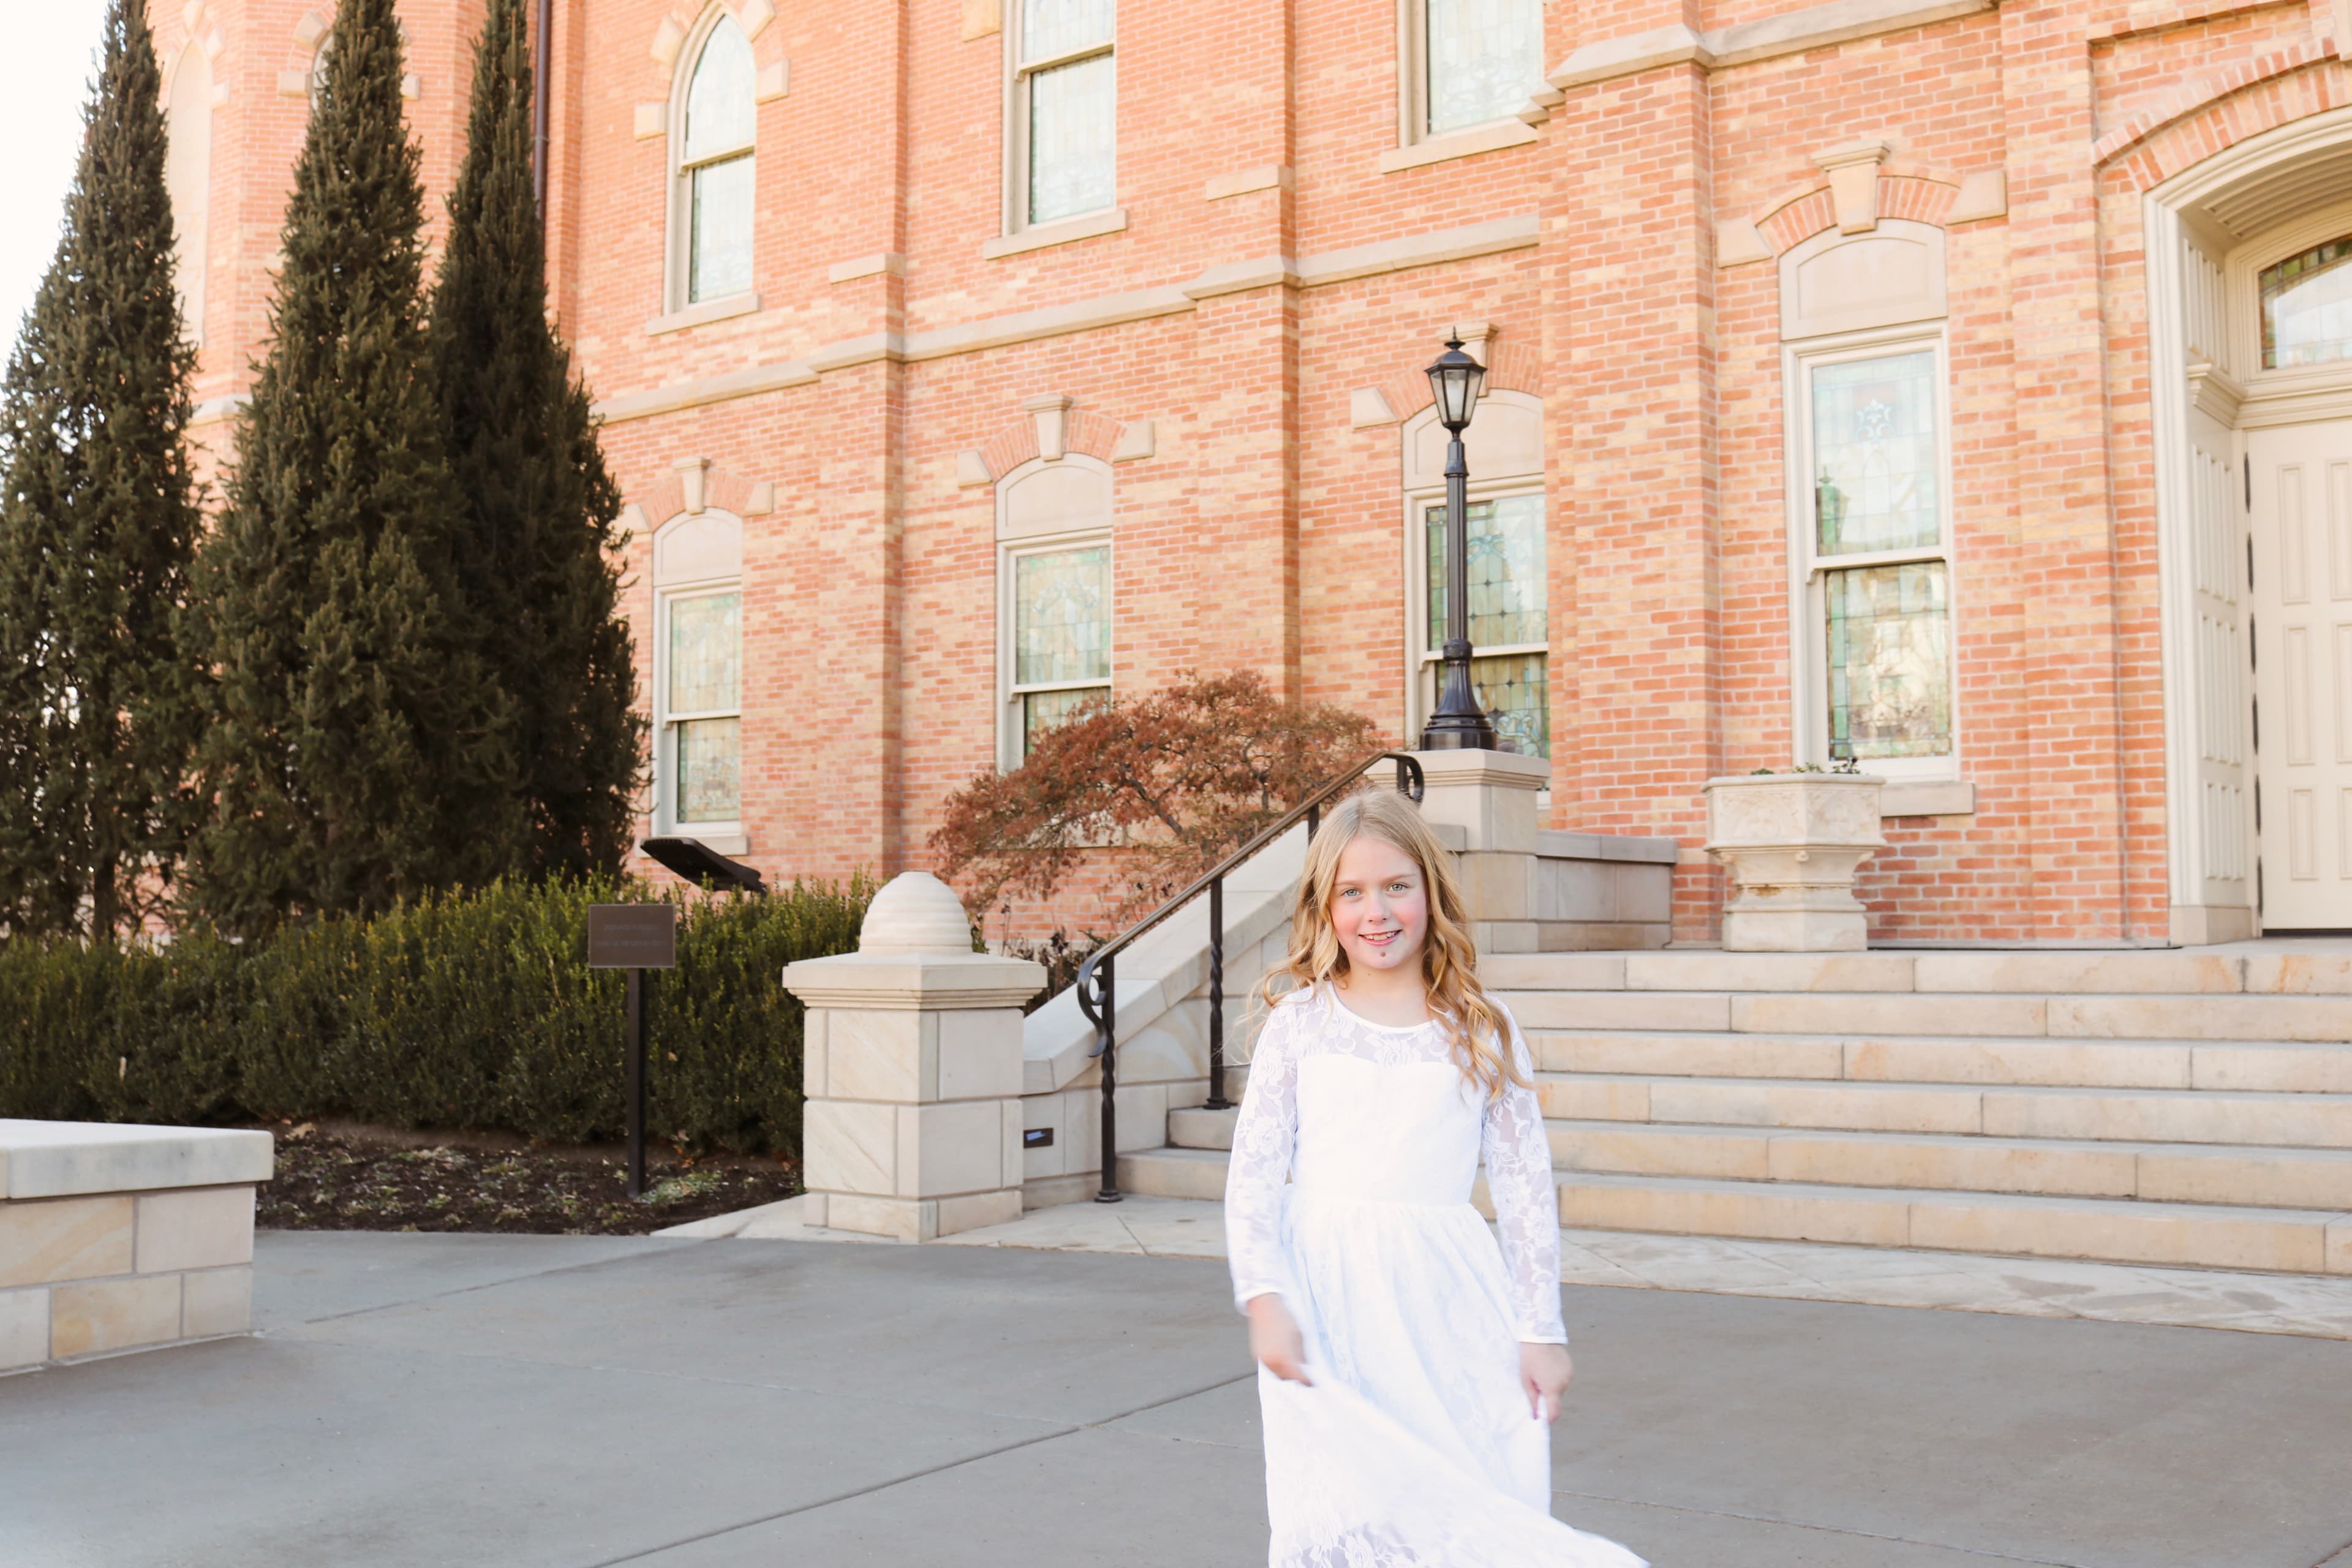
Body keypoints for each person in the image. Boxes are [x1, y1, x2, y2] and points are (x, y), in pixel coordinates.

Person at [1223, 788, 1645, 1567]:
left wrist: (1540, 1331)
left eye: (1395, 887)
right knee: (1349, 1506)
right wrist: (1264, 1297)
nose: (1375, 912)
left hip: (1447, 1296)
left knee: (1471, 1494)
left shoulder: (1482, 1029)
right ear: (1325, 907)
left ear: (1429, 891)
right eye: (1351, 893)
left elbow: (1524, 1194)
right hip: (1326, 1301)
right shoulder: (1300, 1025)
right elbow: (1251, 1181)